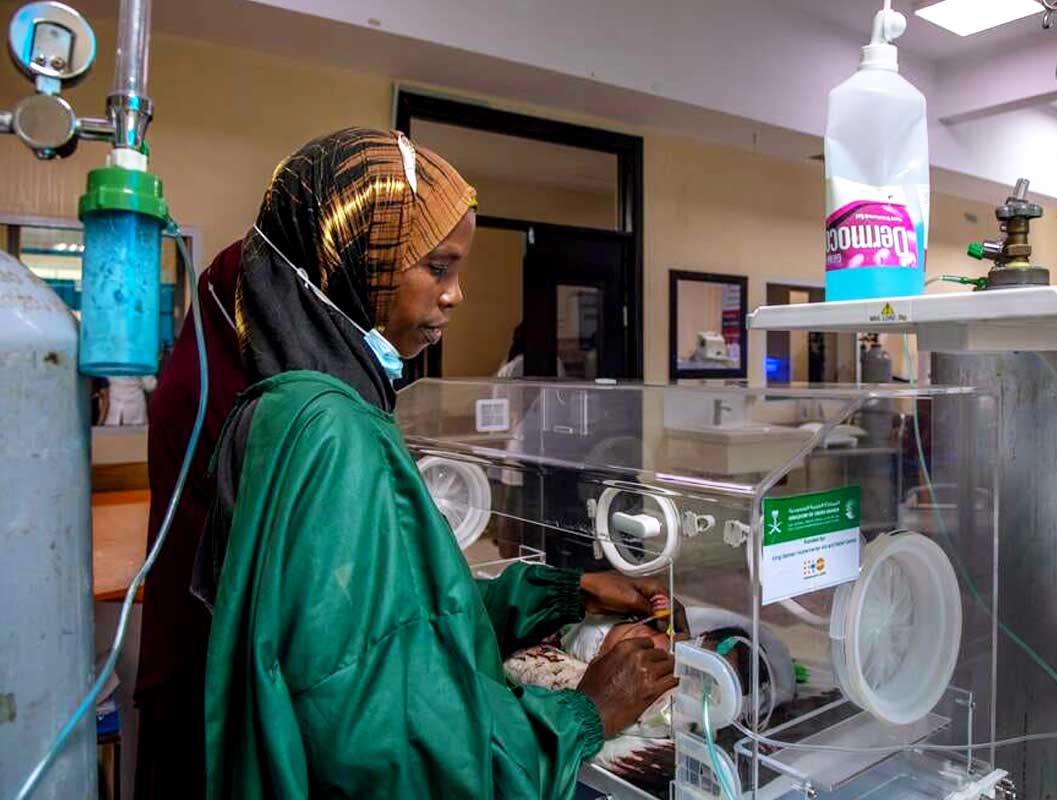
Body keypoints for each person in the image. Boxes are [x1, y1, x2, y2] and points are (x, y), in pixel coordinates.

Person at [136, 128, 681, 799]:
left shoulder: (293, 405)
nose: (456, 294)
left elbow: (385, 620)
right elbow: (395, 758)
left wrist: (564, 593)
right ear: (355, 263)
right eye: (438, 267)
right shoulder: (332, 433)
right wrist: (584, 713)